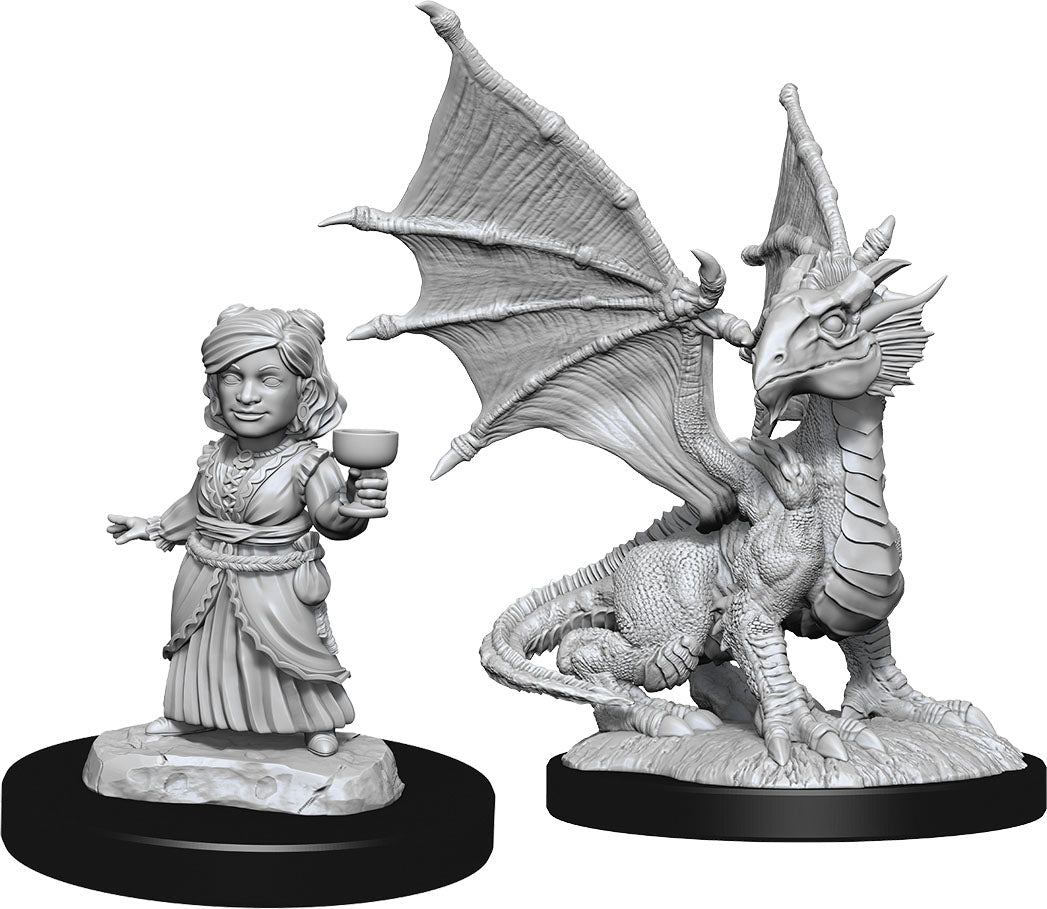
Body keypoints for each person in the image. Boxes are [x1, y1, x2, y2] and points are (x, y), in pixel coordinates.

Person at [106, 305, 386, 756]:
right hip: (205, 572)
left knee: (288, 652)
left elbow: (331, 518)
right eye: (232, 378)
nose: (247, 395)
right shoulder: (216, 454)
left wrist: (354, 500)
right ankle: (194, 713)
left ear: (305, 391)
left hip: (274, 580)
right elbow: (196, 505)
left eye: (269, 379)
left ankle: (313, 721)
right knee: (203, 648)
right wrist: (154, 526)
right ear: (214, 388)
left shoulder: (308, 461)